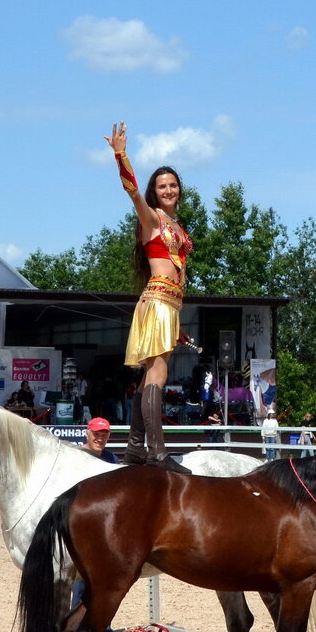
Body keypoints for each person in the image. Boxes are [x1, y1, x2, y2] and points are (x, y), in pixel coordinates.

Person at [107, 120, 195, 473]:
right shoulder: (153, 220)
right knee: (158, 373)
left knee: (149, 379)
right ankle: (157, 453)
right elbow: (130, 191)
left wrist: (176, 325)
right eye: (162, 185)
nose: (168, 189)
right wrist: (120, 154)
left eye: (173, 184)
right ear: (154, 191)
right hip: (157, 299)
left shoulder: (178, 228)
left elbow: (181, 273)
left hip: (169, 305)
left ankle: (132, 451)